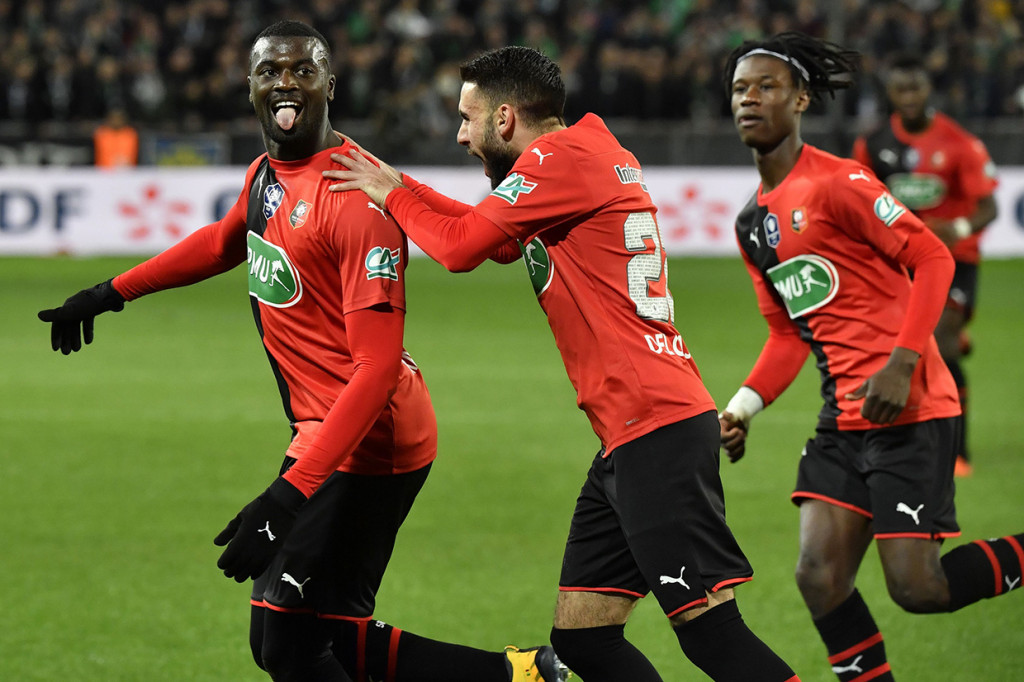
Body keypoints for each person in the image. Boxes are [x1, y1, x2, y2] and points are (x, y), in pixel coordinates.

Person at [37, 21, 567, 682]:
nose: (285, 82)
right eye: (270, 71)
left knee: (288, 642)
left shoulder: (355, 200)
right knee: (320, 634)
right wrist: (110, 293)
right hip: (328, 430)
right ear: (251, 87)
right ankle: (521, 674)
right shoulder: (268, 173)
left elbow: (374, 371)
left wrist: (287, 497)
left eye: (302, 70)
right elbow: (223, 241)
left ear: (329, 86)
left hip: (370, 440)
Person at [323, 45, 799, 682]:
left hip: (653, 424)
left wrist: (393, 196)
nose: (460, 135)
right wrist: (400, 184)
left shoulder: (558, 159)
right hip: (631, 433)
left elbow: (461, 250)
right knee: (584, 638)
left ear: (505, 120)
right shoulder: (583, 154)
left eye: (467, 119)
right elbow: (486, 237)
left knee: (712, 634)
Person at [719, 31, 1023, 682]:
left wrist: (903, 362)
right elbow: (784, 335)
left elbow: (933, 257)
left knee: (919, 590)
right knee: (819, 578)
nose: (750, 99)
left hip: (909, 410)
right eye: (740, 88)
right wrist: (743, 405)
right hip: (842, 422)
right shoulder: (751, 224)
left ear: (801, 99)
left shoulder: (841, 182)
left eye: (767, 86)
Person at [852, 54, 999, 477]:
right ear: (891, 94)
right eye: (902, 90)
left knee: (943, 347)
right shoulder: (873, 143)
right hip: (900, 261)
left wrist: (958, 226)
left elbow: (988, 207)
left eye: (917, 88)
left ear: (927, 90)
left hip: (954, 261)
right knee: (892, 348)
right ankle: (887, 439)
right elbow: (859, 201)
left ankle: (958, 451)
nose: (910, 97)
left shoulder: (960, 143)